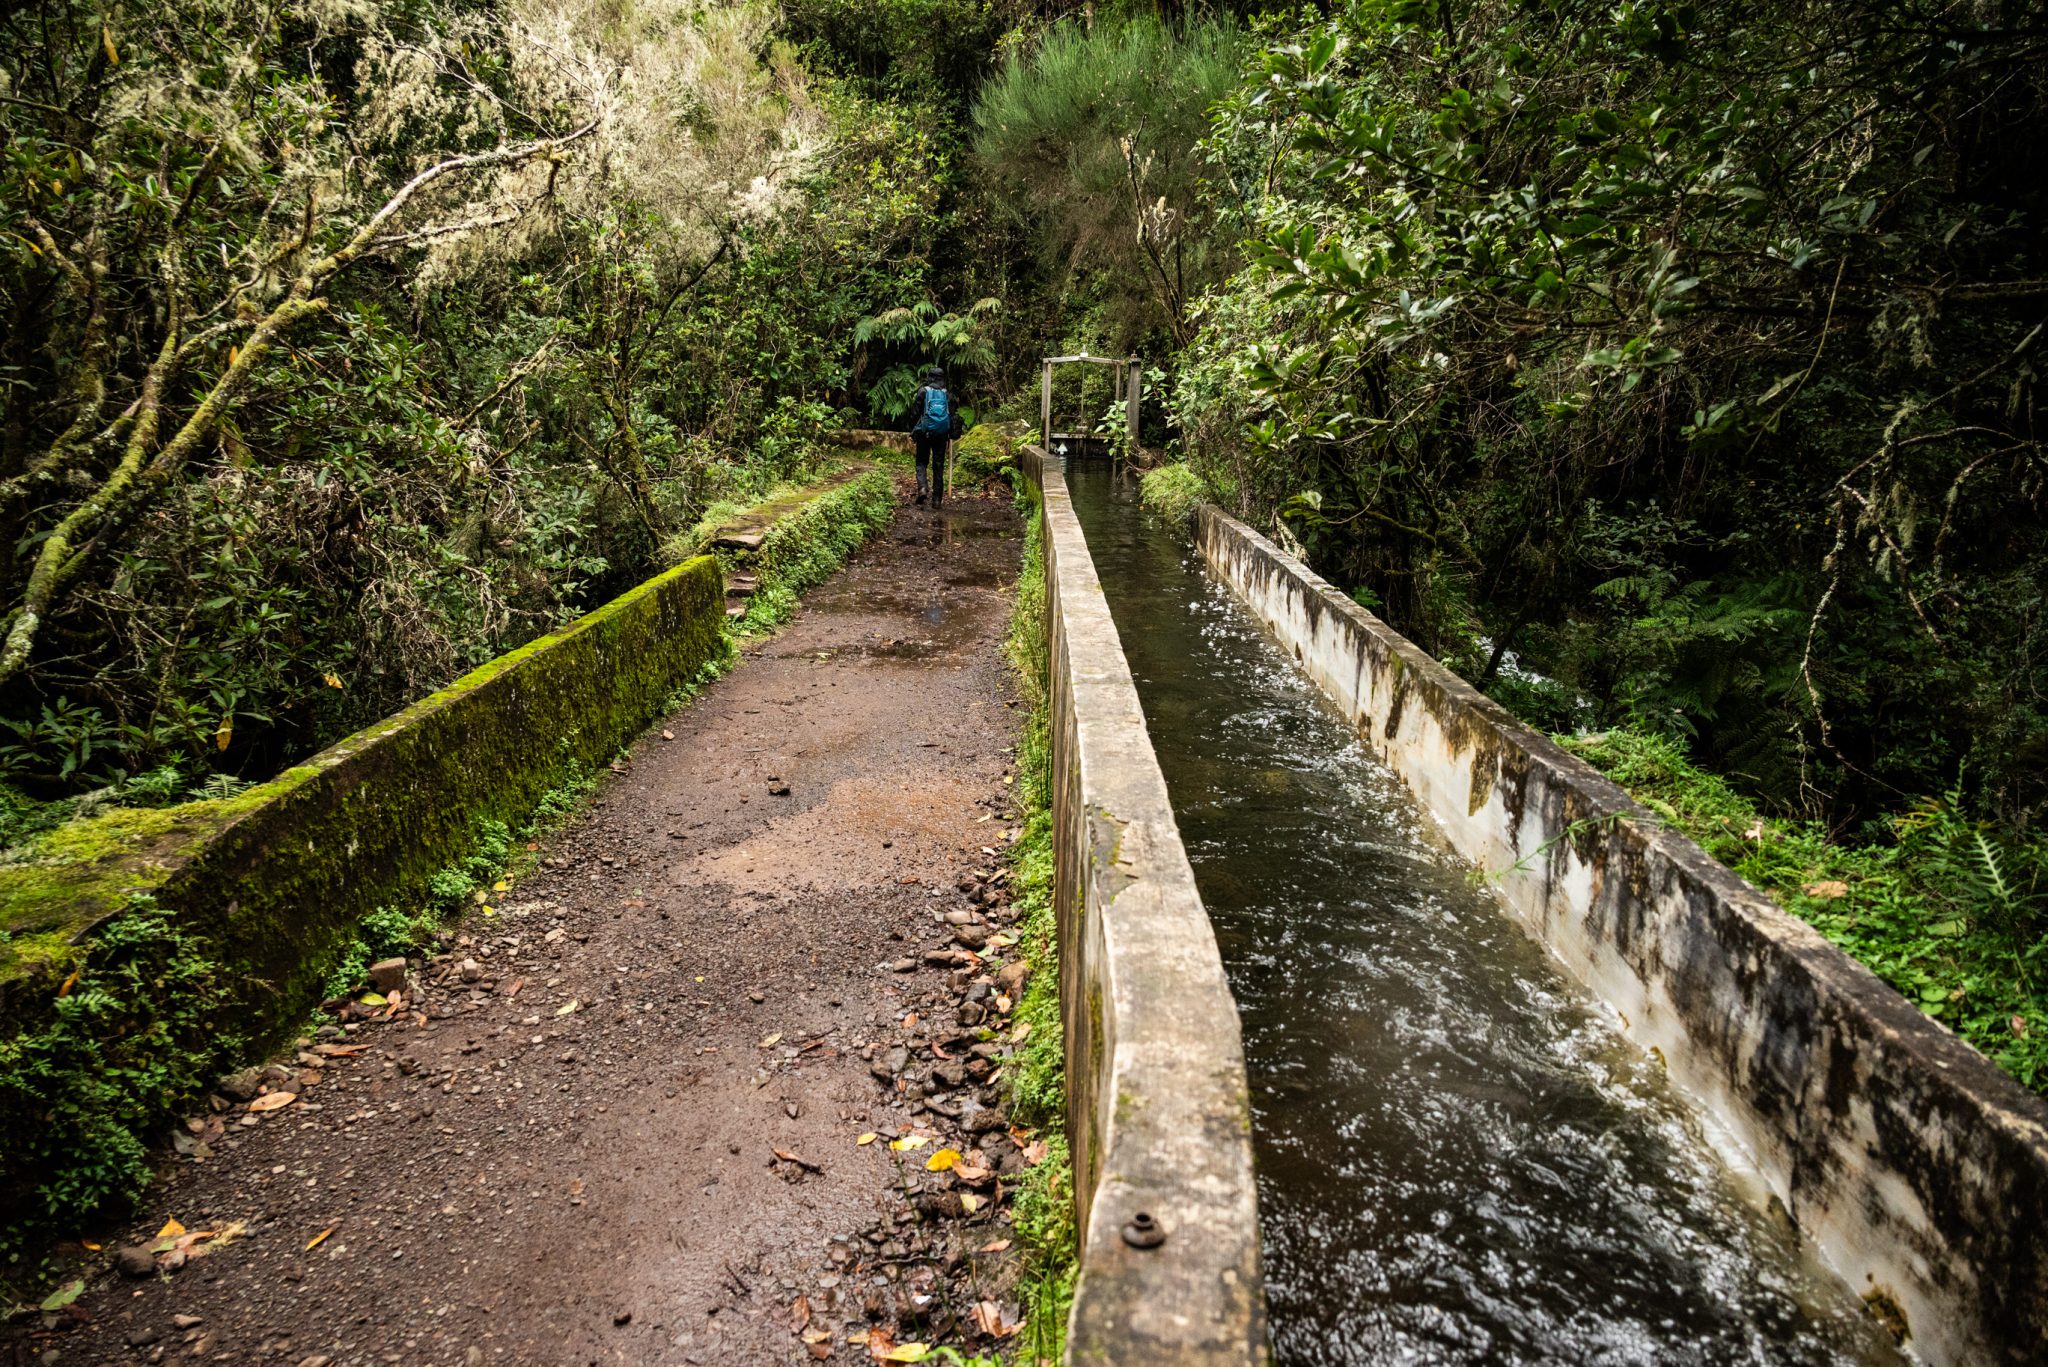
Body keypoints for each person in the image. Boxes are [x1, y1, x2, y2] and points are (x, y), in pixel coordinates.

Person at [907, 364, 961, 507]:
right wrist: (951, 433)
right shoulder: (947, 395)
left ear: (930, 378)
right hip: (942, 436)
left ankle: (923, 488)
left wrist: (912, 429)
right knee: (938, 466)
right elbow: (953, 416)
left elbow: (914, 413)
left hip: (924, 433)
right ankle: (937, 501)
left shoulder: (923, 392)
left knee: (921, 462)